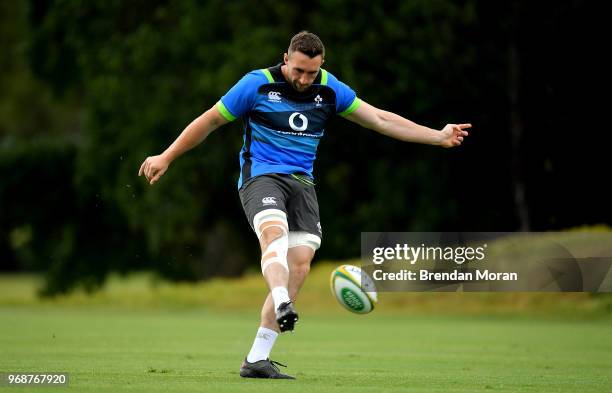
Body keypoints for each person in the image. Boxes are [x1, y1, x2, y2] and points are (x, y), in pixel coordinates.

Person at [138, 31, 471, 379]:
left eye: (311, 73)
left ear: (321, 65)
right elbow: (210, 120)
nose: (303, 79)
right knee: (273, 234)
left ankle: (256, 359)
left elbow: (381, 119)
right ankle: (283, 301)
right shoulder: (257, 85)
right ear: (286, 59)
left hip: (302, 184)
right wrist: (167, 155)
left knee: (299, 265)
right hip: (261, 177)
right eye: (298, 70)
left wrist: (438, 135)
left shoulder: (330, 90)